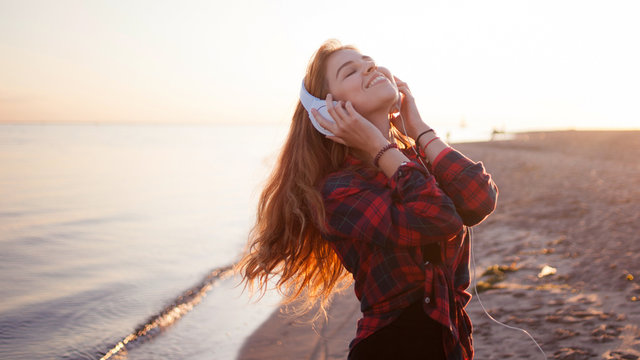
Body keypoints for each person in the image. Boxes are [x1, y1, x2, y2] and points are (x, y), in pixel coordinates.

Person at [236, 39, 498, 360]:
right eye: (351, 71)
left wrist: (418, 128)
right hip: (392, 348)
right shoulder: (336, 192)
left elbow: (479, 198)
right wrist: (379, 147)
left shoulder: (412, 159)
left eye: (369, 62)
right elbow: (439, 218)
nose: (369, 68)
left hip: (447, 342)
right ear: (327, 112)